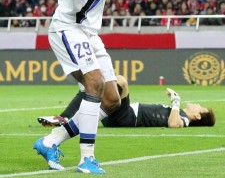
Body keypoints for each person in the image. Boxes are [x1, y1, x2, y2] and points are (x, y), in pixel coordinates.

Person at [33, 0, 147, 174]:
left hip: (89, 33)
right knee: (93, 83)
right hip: (67, 28)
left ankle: (51, 141)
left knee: (112, 99)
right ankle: (87, 159)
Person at [38, 75, 216, 128]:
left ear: (198, 116)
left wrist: (176, 101)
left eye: (199, 107)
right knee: (95, 92)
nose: (196, 104)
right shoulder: (181, 114)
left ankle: (93, 82)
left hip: (128, 118)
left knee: (121, 82)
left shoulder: (184, 119)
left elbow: (174, 124)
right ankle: (64, 118)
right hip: (122, 116)